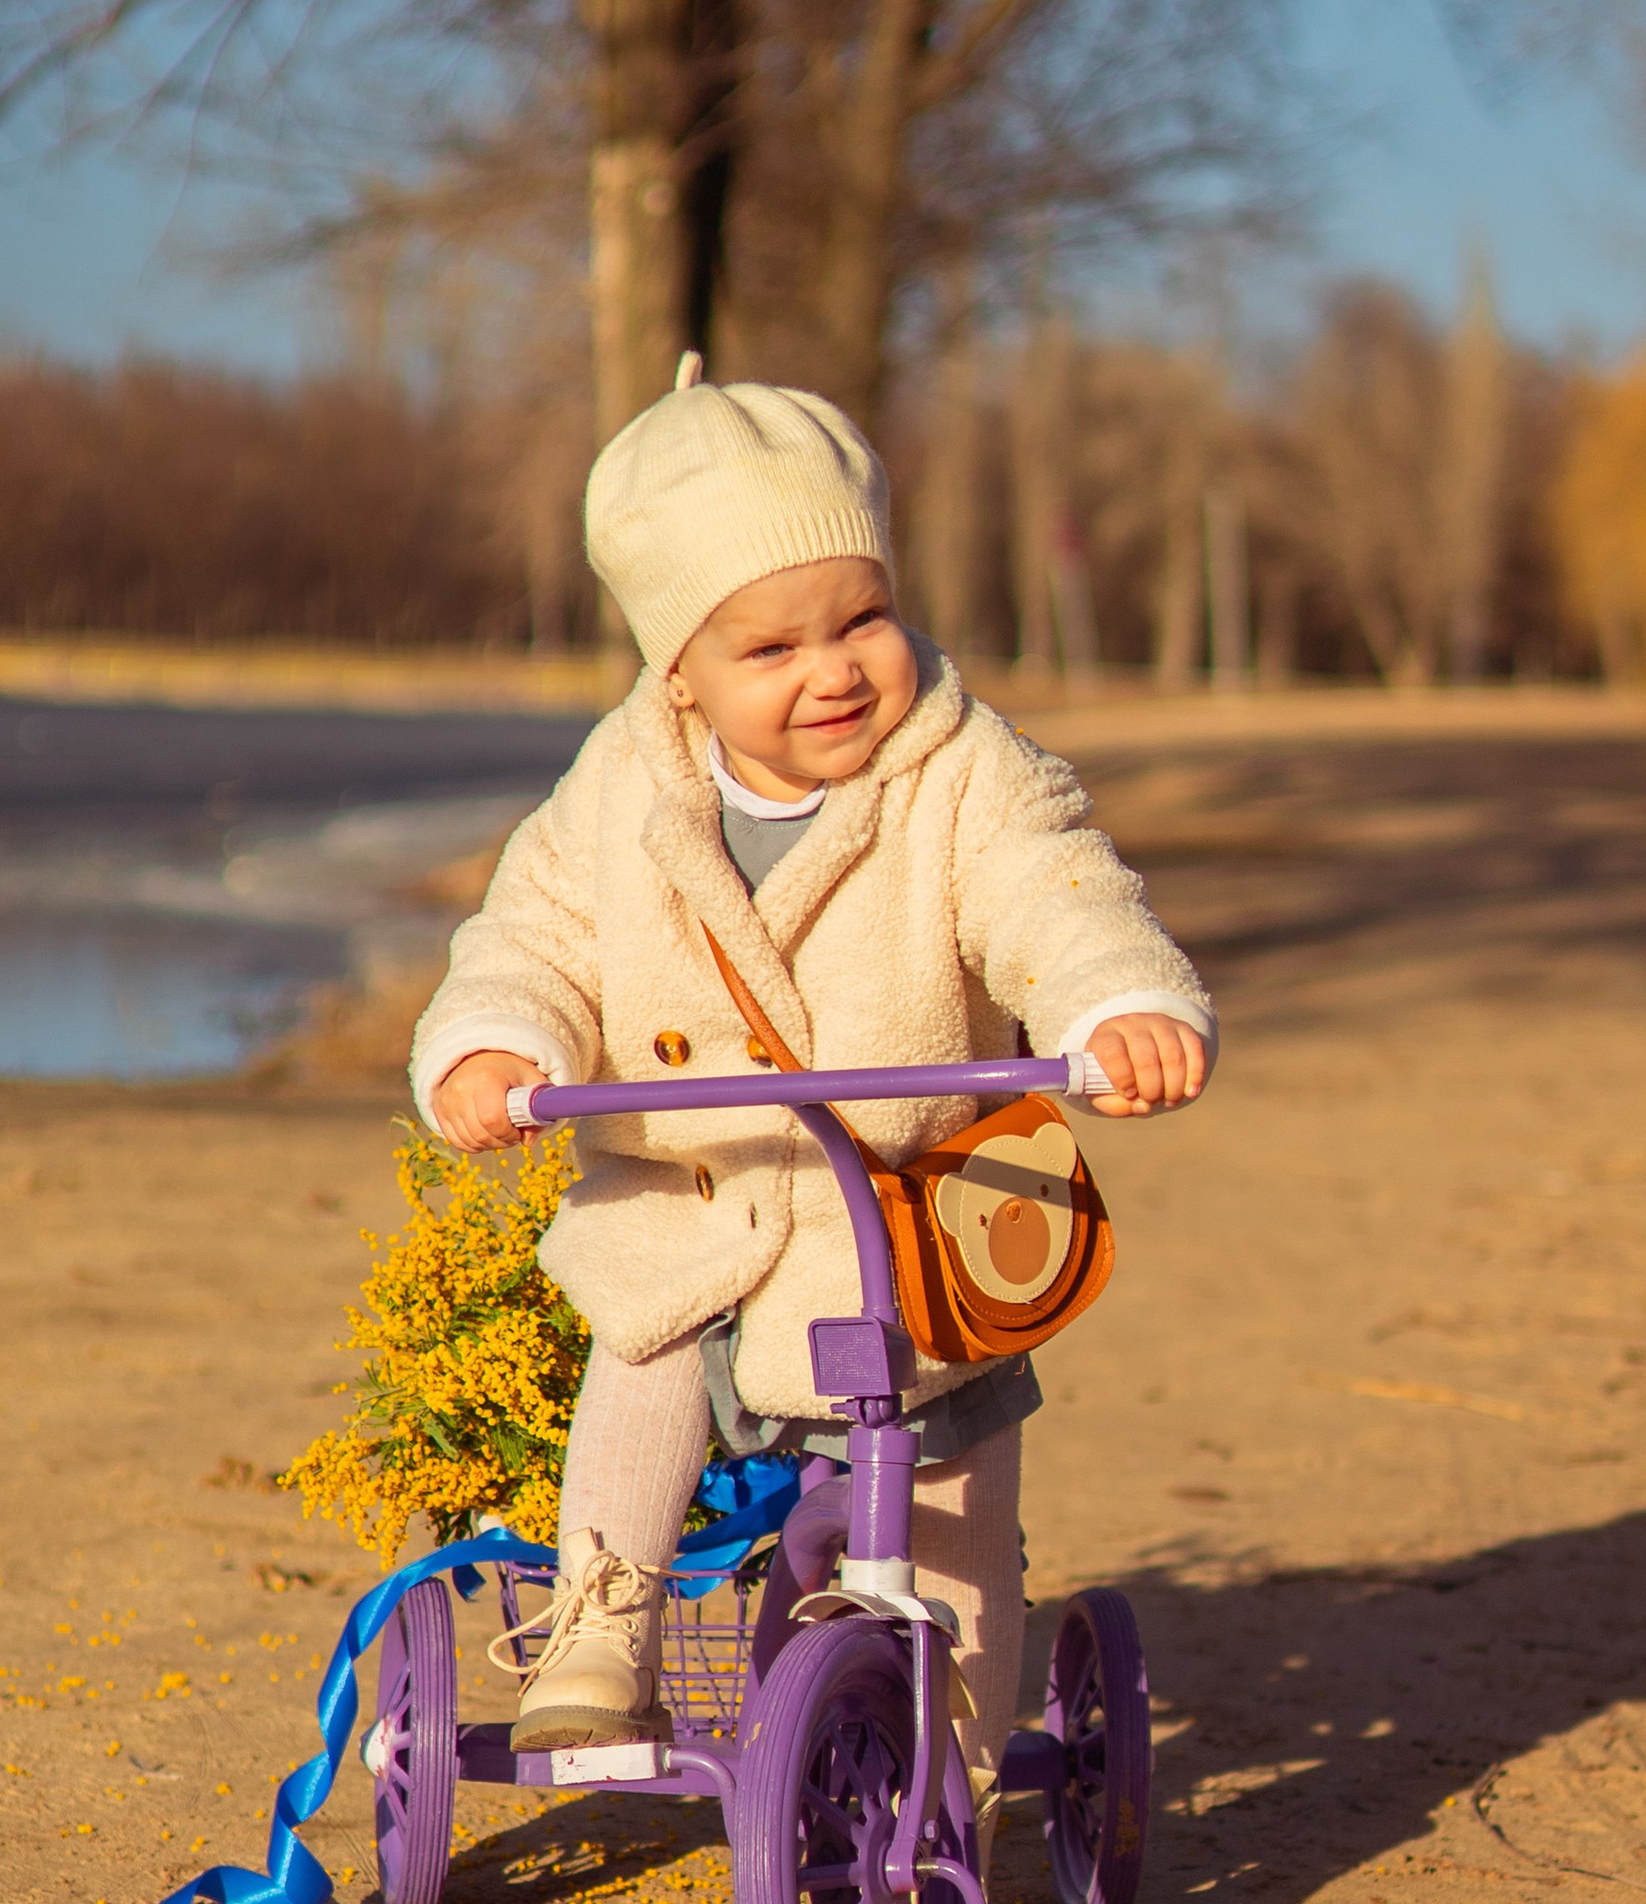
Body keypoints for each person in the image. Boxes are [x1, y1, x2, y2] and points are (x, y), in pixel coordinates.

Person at [413, 354, 1213, 1816]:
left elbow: (1060, 895)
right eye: (772, 651)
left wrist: (1118, 1003)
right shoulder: (618, 792)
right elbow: (532, 935)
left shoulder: (965, 772)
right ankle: (601, 1616)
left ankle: (957, 1728)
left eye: (863, 620)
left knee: (955, 1461)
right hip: (701, 1188)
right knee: (643, 1347)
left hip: (913, 1204)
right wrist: (497, 1044)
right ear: (681, 673)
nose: (835, 671)